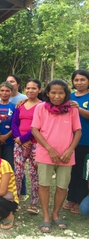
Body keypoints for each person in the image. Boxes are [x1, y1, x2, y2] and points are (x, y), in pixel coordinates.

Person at [32, 79, 82, 233]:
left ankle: (56, 214)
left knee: (62, 186)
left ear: (66, 94)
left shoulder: (72, 109)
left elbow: (78, 131)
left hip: (66, 156)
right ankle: (46, 216)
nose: (57, 96)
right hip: (45, 153)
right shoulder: (40, 108)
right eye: (53, 92)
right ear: (47, 93)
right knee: (44, 185)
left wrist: (69, 150)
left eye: (61, 92)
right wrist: (50, 149)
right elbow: (35, 130)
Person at [11, 79, 42, 215]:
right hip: (19, 145)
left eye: (34, 88)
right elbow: (14, 124)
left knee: (34, 175)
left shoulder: (42, 106)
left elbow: (40, 126)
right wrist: (19, 140)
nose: (30, 91)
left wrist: (24, 139)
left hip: (36, 144)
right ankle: (15, 200)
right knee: (17, 173)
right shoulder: (20, 105)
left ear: (39, 90)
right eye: (28, 88)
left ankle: (34, 203)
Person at [64, 69, 89, 214]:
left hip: (86, 141)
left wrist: (78, 108)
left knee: (83, 172)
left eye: (82, 79)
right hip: (70, 142)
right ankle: (72, 198)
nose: (79, 82)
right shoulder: (69, 96)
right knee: (71, 171)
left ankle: (81, 200)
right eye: (76, 80)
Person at [6, 74, 28, 201]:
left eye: (12, 81)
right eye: (7, 81)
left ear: (18, 84)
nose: (10, 84)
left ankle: (22, 190)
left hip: (20, 138)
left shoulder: (23, 98)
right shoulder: (5, 97)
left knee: (19, 166)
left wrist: (21, 138)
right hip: (12, 137)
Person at [0, 81, 15, 167]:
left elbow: (16, 125)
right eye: (2, 90)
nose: (4, 93)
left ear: (11, 92)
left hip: (8, 142)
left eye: (7, 91)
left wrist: (6, 137)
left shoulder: (14, 107)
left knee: (8, 166)